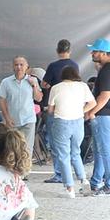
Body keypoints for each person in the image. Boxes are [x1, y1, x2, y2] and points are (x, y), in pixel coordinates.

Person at [47, 65, 96, 197]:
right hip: (78, 122)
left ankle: (70, 188)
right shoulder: (83, 86)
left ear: (63, 76)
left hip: (61, 123)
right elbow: (93, 103)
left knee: (63, 155)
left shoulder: (56, 88)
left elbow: (50, 110)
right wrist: (80, 111)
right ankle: (83, 180)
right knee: (75, 152)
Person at [41, 39, 80, 182]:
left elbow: (44, 84)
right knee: (73, 145)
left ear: (57, 51)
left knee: (56, 143)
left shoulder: (53, 66)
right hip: (73, 110)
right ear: (70, 51)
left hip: (57, 108)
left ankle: (59, 174)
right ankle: (77, 173)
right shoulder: (75, 65)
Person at [0, 57, 43, 159]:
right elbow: (1, 100)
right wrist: (7, 118)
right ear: (13, 67)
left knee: (27, 149)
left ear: (27, 67)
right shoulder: (6, 82)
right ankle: (13, 168)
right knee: (11, 148)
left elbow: (38, 98)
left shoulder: (33, 80)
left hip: (28, 120)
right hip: (12, 121)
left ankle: (25, 168)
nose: (19, 67)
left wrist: (34, 86)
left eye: (21, 65)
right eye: (16, 65)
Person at [86, 38, 110, 195]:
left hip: (103, 115)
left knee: (105, 150)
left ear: (104, 53)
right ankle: (96, 182)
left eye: (95, 51)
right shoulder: (105, 69)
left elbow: (105, 95)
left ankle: (108, 184)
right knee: (100, 150)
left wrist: (91, 112)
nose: (92, 54)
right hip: (103, 115)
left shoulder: (107, 70)